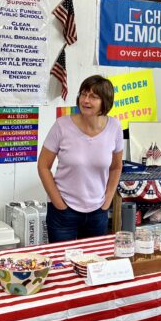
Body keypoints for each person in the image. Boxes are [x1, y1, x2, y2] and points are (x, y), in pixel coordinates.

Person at [38, 75, 124, 242]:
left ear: (105, 102)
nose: (85, 100)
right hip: (63, 213)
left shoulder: (115, 127)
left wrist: (107, 201)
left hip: (97, 212)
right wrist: (58, 203)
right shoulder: (62, 125)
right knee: (62, 257)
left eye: (93, 96)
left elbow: (116, 167)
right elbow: (43, 165)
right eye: (83, 94)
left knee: (93, 258)